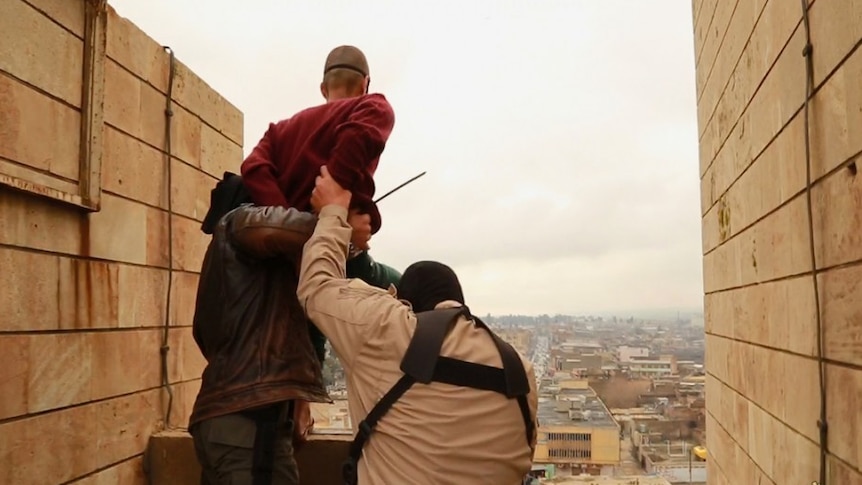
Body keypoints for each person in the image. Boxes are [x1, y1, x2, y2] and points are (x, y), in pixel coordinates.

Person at [296, 166, 539, 485]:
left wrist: (333, 213)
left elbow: (317, 286)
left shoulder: (391, 331)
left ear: (406, 305)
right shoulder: (520, 370)